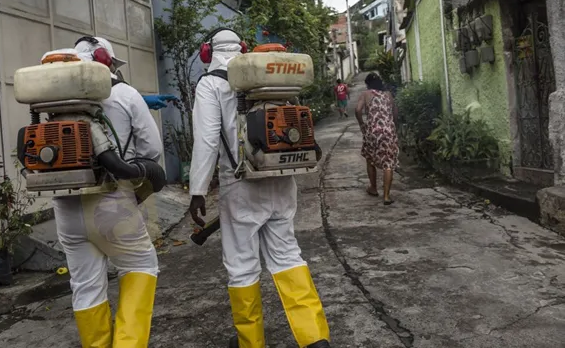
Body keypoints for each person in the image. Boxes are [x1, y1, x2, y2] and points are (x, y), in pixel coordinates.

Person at [188, 29, 331, 348]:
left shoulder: (211, 84)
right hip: (281, 178)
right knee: (287, 254)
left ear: (207, 53)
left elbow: (208, 141)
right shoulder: (267, 77)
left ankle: (251, 342)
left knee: (241, 265)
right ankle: (315, 338)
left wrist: (197, 191)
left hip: (240, 185)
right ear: (242, 48)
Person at [53, 36, 163, 347]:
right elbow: (152, 150)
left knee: (86, 287)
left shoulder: (55, 99)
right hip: (113, 201)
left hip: (66, 208)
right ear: (106, 60)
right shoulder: (125, 94)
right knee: (141, 266)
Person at [355, 72, 399, 205]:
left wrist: (362, 124)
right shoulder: (388, 95)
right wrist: (393, 126)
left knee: (370, 159)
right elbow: (395, 112)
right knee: (388, 164)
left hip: (372, 132)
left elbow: (357, 110)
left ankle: (373, 188)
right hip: (388, 131)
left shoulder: (366, 94)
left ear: (368, 84)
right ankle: (386, 196)